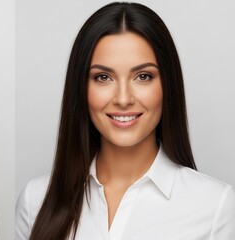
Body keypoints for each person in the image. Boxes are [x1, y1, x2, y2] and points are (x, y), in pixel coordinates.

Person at [16, 2, 235, 240]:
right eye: (103, 77)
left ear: (167, 85)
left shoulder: (216, 207)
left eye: (143, 76)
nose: (123, 99)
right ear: (81, 87)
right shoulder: (35, 200)